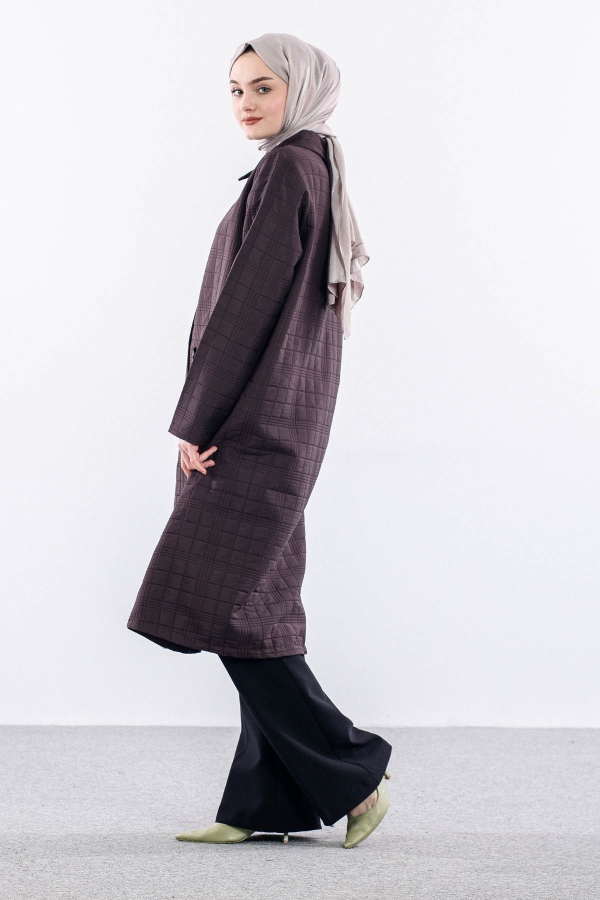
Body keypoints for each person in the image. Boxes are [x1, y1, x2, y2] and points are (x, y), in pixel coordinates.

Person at [126, 33, 392, 849]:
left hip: (251, 427)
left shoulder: (288, 169)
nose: (245, 103)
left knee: (218, 601)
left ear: (301, 90)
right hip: (279, 420)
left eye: (263, 88)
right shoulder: (311, 166)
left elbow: (245, 308)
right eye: (236, 89)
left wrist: (197, 423)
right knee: (257, 607)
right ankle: (264, 804)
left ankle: (354, 768)